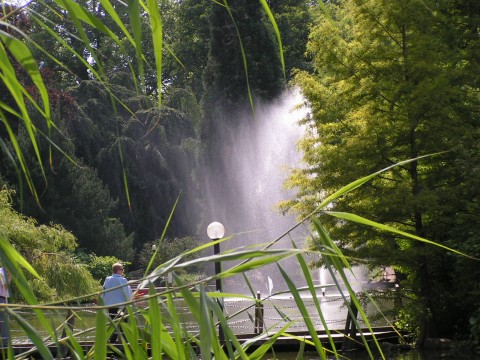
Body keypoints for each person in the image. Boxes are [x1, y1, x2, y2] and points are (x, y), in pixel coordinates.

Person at [102, 263, 132, 343]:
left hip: (111, 305)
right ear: (118, 270)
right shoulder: (122, 280)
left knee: (114, 324)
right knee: (124, 324)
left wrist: (103, 303)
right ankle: (125, 342)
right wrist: (130, 303)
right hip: (121, 306)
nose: (123, 271)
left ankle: (112, 341)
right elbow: (127, 293)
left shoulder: (107, 279)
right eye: (122, 269)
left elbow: (103, 292)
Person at [0, 267, 11, 348]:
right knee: (4, 323)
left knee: (4, 322)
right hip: (1, 299)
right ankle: (5, 345)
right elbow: (5, 286)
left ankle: (5, 343)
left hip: (4, 299)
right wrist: (10, 276)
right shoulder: (1, 273)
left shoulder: (3, 272)